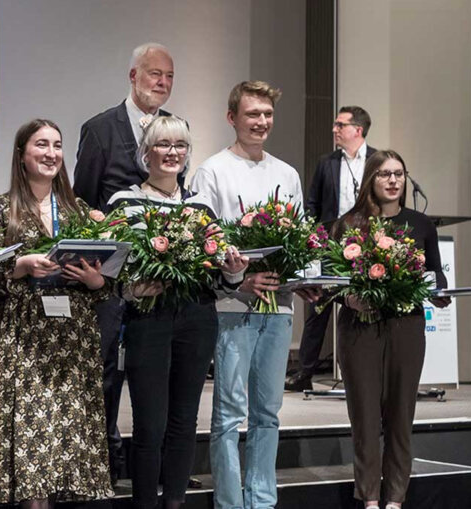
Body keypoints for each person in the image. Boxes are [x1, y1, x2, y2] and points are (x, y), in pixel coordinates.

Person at [0, 119, 113, 508]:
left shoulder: (81, 213)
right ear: (21, 155)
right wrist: (21, 265)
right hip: (22, 340)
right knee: (31, 446)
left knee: (60, 449)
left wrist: (94, 279)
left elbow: (107, 285)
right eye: (41, 145)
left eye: (57, 145)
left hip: (71, 339)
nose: (51, 153)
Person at [107, 116, 248, 509]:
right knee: (150, 426)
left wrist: (233, 274)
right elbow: (110, 273)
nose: (173, 153)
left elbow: (219, 282)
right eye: (164, 144)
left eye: (181, 146)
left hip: (197, 318)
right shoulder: (124, 202)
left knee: (185, 421)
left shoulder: (201, 206)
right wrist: (132, 289)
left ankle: (174, 503)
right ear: (145, 152)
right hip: (147, 319)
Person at [190, 80, 315, 509]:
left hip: (278, 308)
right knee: (229, 416)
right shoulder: (211, 171)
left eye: (267, 115)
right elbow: (200, 245)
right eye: (252, 115)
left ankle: (261, 501)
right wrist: (239, 280)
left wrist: (301, 278)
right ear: (232, 119)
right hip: (231, 306)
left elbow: (298, 241)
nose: (261, 122)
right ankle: (229, 502)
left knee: (268, 414)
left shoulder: (287, 174)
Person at [73, 42, 178, 484]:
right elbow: (83, 199)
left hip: (157, 282)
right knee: (105, 374)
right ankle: (105, 461)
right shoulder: (100, 128)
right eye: (155, 74)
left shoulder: (178, 128)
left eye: (170, 77)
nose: (163, 83)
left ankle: (155, 464)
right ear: (133, 76)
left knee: (157, 372)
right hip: (111, 278)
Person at [332, 149, 449, 509]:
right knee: (365, 416)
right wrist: (349, 299)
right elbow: (331, 280)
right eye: (385, 174)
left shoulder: (421, 224)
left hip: (406, 326)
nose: (394, 180)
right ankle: (369, 497)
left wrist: (441, 293)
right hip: (360, 327)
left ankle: (395, 499)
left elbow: (435, 273)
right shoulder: (348, 224)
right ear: (371, 178)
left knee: (401, 416)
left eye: (399, 174)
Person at [286, 105, 378, 392]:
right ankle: (305, 373)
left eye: (341, 125)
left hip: (367, 244)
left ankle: (368, 371)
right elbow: (313, 203)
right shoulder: (327, 162)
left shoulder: (377, 160)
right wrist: (313, 237)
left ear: (357, 130)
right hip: (330, 244)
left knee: (366, 303)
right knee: (318, 306)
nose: (335, 129)